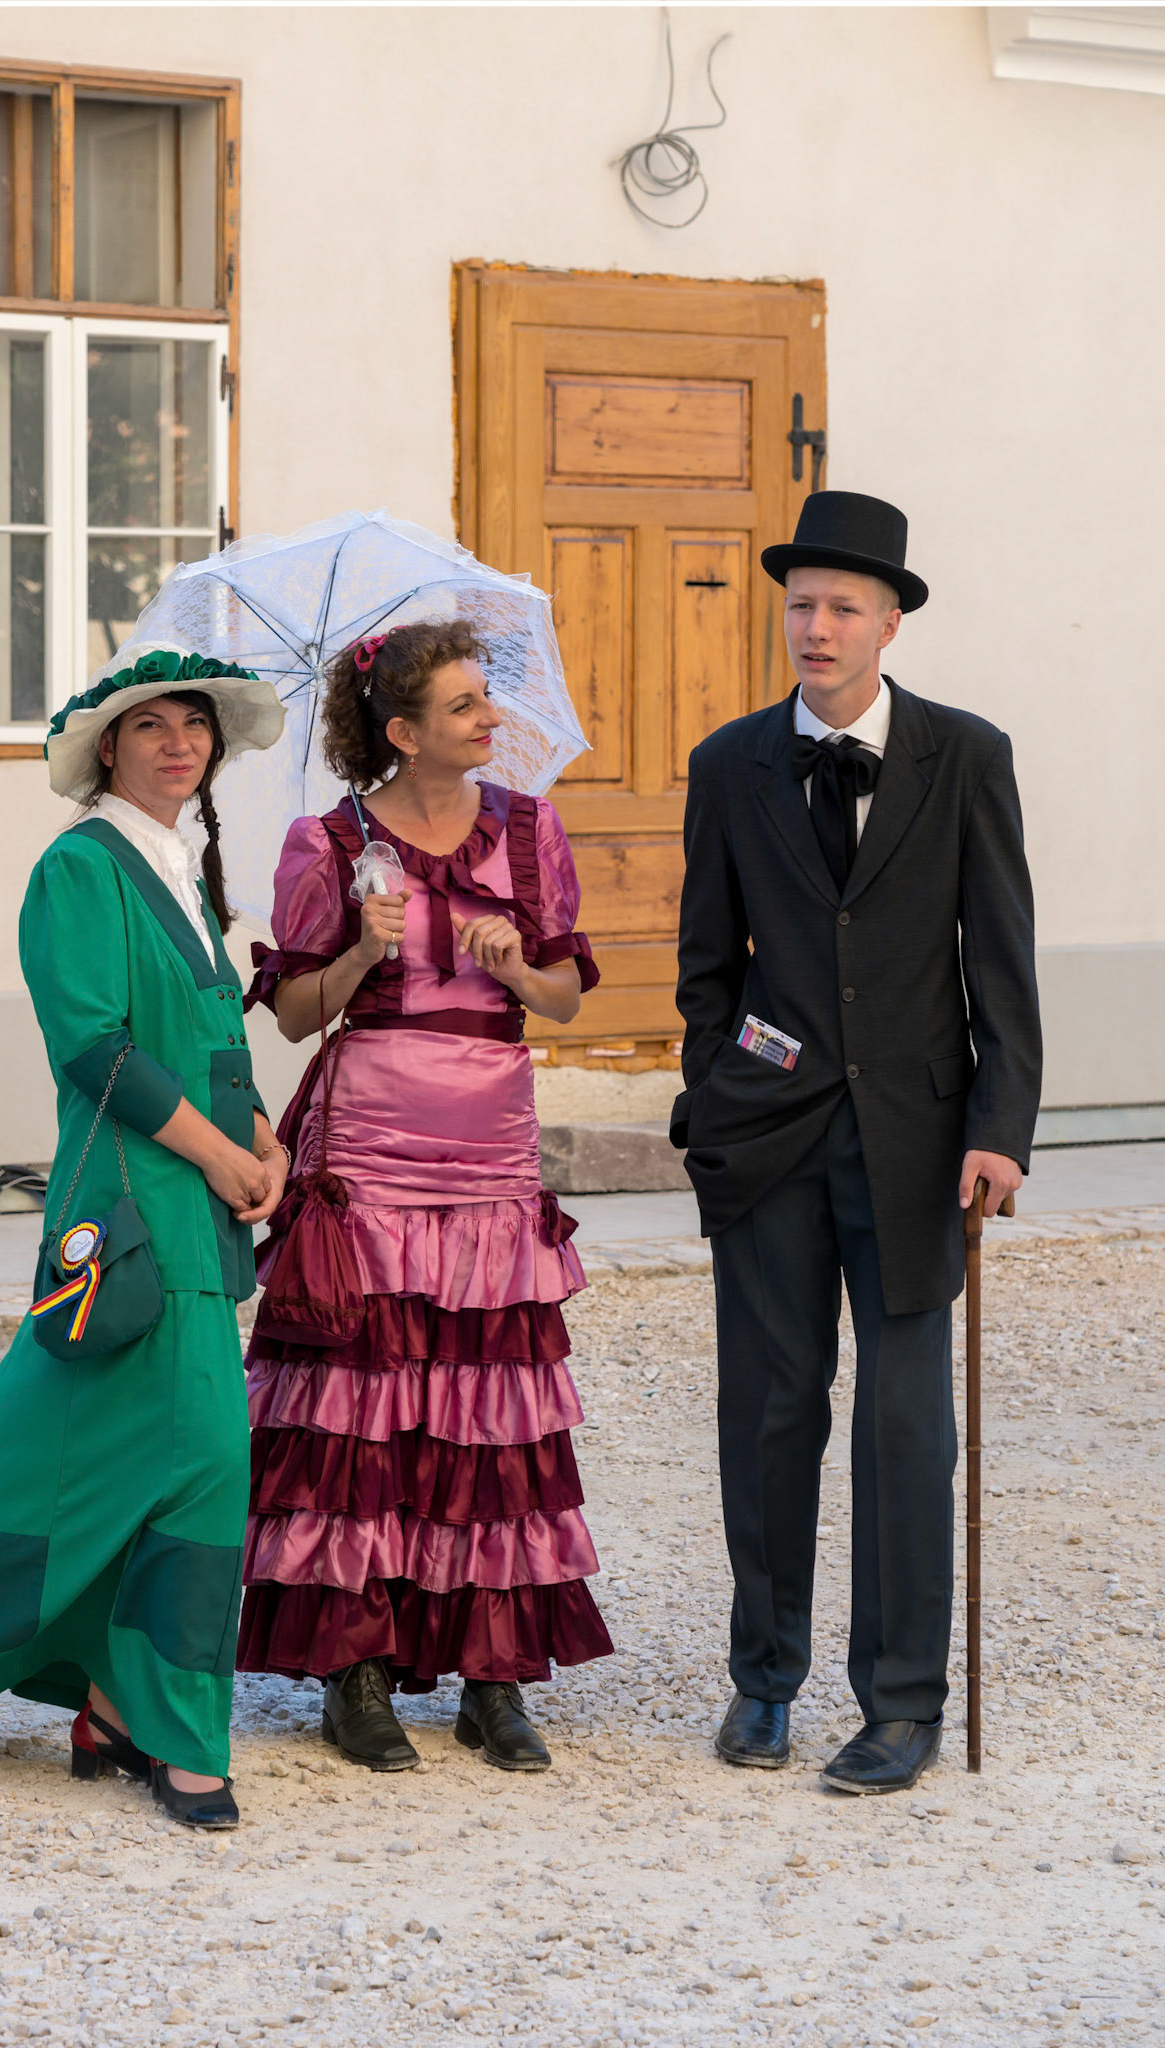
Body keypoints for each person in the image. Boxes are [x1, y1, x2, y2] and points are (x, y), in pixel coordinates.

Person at [0, 643, 289, 1830]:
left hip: (196, 1209)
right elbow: (94, 1048)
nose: (179, 742)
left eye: (195, 725)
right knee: (203, 1455)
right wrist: (220, 1155)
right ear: (107, 744)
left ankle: (113, 1699)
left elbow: (216, 1040)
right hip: (127, 1204)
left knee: (157, 1454)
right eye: (152, 723)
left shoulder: (188, 869)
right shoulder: (77, 868)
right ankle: (179, 1729)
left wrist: (262, 1135)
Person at [672, 492, 1041, 1794]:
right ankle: (761, 1684)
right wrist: (709, 1111)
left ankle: (900, 1704)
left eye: (838, 607)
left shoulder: (964, 756)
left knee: (900, 1426)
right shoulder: (727, 766)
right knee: (768, 1417)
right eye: (797, 604)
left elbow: (997, 963)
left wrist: (999, 1128)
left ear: (887, 622)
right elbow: (704, 971)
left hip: (916, 1148)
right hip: (765, 1146)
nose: (812, 627)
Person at [237, 619, 613, 1771]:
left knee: (488, 1405)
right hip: (371, 1151)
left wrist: (511, 966)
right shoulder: (330, 840)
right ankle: (353, 1673)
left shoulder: (530, 831)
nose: (487, 720)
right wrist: (357, 944)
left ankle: (492, 1675)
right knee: (359, 1408)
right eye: (461, 706)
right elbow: (299, 1015)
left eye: (484, 699)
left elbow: (562, 1000)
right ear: (402, 732)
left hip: (489, 1152)